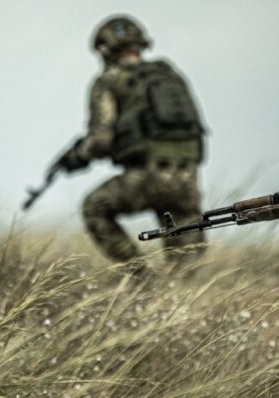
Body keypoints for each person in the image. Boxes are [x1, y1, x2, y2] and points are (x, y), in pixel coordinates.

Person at [60, 15, 206, 270]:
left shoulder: (108, 81)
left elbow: (100, 140)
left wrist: (80, 156)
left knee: (94, 208)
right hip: (187, 177)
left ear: (105, 49)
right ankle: (180, 298)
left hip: (146, 176)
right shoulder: (169, 75)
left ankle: (140, 276)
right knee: (184, 267)